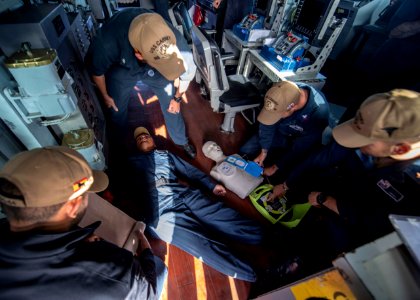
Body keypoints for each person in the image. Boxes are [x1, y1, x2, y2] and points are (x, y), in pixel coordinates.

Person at [0, 146, 167, 300]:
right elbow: (149, 290)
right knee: (159, 260)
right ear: (73, 206)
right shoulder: (108, 272)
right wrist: (146, 252)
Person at [268, 89, 420, 256]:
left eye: (363, 141)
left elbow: (379, 226)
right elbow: (321, 160)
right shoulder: (369, 130)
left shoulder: (412, 186)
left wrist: (327, 201)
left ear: (400, 149)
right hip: (330, 200)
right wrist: (286, 185)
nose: (355, 143)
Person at [128, 127, 267, 282]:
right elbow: (129, 195)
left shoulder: (166, 155)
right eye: (138, 138)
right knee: (203, 245)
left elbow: (189, 171)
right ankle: (258, 274)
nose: (142, 137)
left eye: (146, 135)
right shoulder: (132, 162)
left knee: (221, 215)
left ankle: (266, 237)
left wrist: (211, 185)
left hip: (182, 193)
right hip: (161, 214)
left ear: (154, 142)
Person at [85, 8, 197, 158]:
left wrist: (177, 98)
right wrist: (105, 95)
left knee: (172, 104)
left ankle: (181, 140)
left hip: (155, 71)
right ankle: (119, 141)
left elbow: (186, 75)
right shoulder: (106, 42)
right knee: (115, 106)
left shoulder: (174, 39)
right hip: (123, 68)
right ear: (138, 54)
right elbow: (97, 72)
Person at [239, 80, 330, 182]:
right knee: (245, 151)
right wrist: (264, 150)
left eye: (278, 115)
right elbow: (267, 123)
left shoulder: (318, 114)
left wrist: (276, 166)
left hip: (299, 142)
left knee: (282, 175)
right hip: (280, 132)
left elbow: (301, 148)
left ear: (292, 107)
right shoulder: (278, 92)